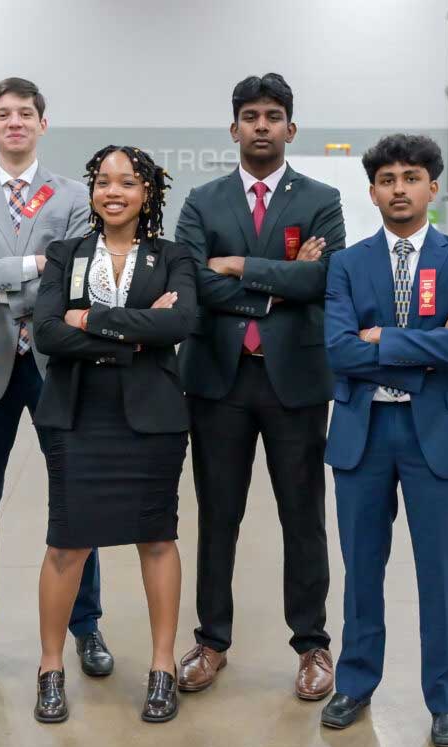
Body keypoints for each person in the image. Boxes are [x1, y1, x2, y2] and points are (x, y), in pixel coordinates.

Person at [174, 73, 346, 698]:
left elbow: (325, 280)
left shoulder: (321, 198)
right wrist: (279, 286)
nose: (263, 125)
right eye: (251, 116)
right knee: (218, 515)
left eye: (274, 115)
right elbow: (193, 282)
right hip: (218, 381)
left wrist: (243, 266)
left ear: (290, 128)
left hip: (295, 383)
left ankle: (312, 645)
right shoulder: (203, 201)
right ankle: (211, 639)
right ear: (235, 128)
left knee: (303, 516)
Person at [320, 134, 448, 747]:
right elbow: (337, 349)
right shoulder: (347, 263)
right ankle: (356, 681)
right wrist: (422, 348)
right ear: (372, 191)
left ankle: (447, 699)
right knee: (362, 568)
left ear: (432, 187)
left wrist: (379, 341)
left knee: (440, 572)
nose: (399, 188)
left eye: (411, 177)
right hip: (363, 436)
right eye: (387, 179)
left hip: (437, 437)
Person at [0, 78, 113, 675]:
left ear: (43, 123)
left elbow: (75, 272)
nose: (15, 122)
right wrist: (34, 266)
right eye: (3, 114)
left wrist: (0, 278)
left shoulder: (71, 196)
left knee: (76, 498)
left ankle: (86, 626)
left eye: (25, 113)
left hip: (53, 362)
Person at [31, 146, 196, 723]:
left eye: (127, 181)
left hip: (151, 419)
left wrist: (92, 319)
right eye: (103, 181)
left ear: (147, 192)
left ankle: (161, 667)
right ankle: (50, 668)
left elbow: (179, 323)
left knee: (156, 537)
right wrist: (137, 330)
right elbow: (48, 332)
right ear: (92, 192)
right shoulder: (65, 254)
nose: (114, 191)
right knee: (67, 543)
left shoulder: (172, 257)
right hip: (77, 417)